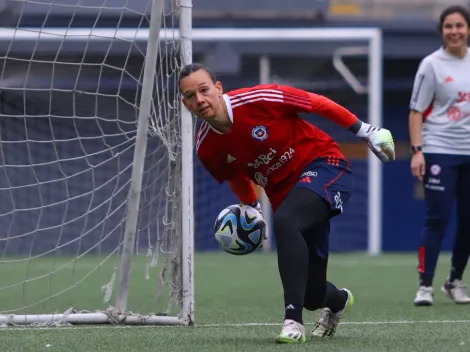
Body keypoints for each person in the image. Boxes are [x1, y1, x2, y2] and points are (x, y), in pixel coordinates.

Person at [179, 63, 395, 343]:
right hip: (288, 197)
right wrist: (252, 209)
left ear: (218, 88)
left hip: (326, 166)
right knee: (312, 294)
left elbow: (316, 104)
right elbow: (237, 178)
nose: (199, 100)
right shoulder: (206, 147)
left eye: (204, 90)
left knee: (285, 221)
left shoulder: (259, 98)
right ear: (184, 103)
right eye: (190, 96)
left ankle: (292, 322)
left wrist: (365, 130)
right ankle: (339, 301)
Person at [409, 5, 470, 306]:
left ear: (468, 29)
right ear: (442, 31)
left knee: (468, 222)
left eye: (460, 25)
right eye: (449, 26)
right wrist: (417, 151)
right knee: (438, 220)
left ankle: (454, 282)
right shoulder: (431, 64)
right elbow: (416, 110)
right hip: (439, 151)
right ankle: (425, 286)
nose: (454, 31)